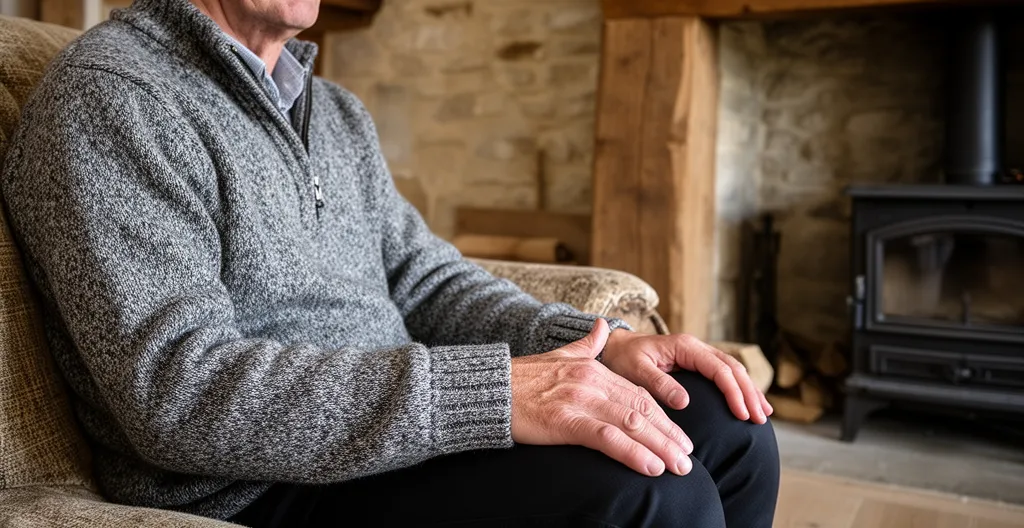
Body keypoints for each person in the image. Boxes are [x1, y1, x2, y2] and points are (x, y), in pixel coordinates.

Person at [1, 0, 780, 525]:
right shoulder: (113, 98)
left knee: (725, 425)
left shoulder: (335, 112)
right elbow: (178, 392)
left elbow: (426, 280)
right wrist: (491, 392)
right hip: (255, 485)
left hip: (397, 433)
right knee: (649, 495)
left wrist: (597, 345)